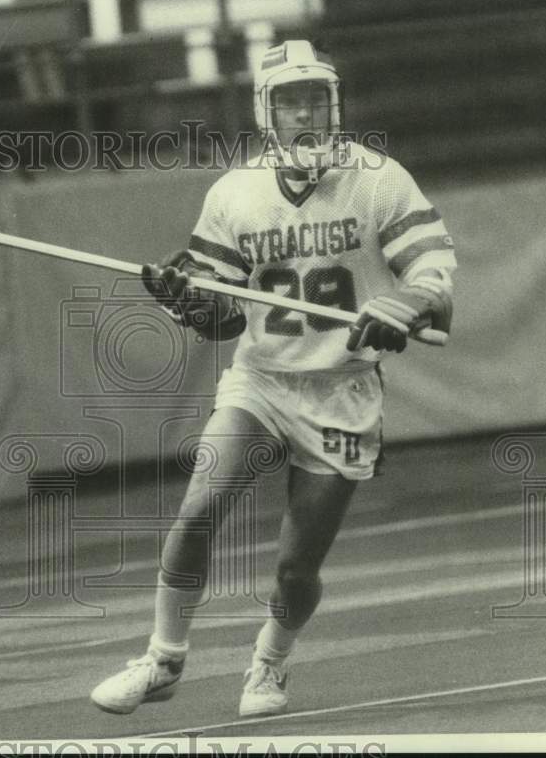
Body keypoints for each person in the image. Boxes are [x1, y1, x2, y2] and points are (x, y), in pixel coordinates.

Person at [90, 40, 456, 718]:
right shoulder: (235, 193)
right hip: (260, 381)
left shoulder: (379, 178)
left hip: (342, 391)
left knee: (296, 566)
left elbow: (433, 274)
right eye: (292, 102)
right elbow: (223, 321)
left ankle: (269, 663)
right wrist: (185, 297)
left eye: (317, 99)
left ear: (335, 104)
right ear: (268, 113)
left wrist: (404, 303)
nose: (306, 113)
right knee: (198, 510)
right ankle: (164, 658)